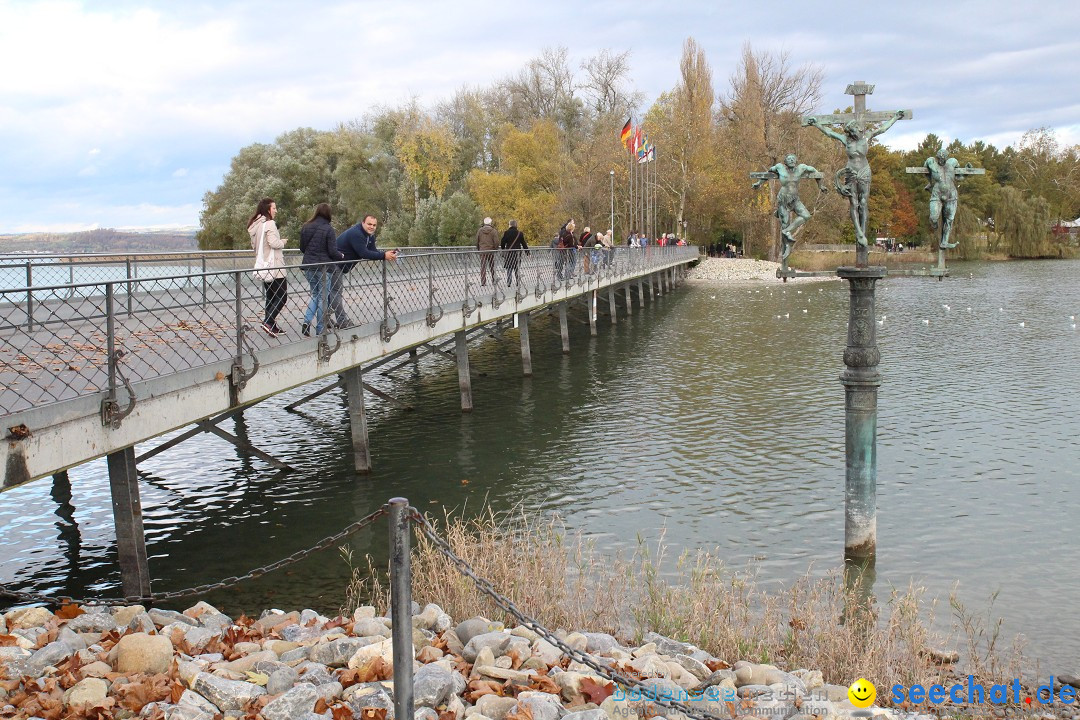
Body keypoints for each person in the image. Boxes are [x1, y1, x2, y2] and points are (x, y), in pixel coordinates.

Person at [807, 110, 905, 246]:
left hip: (864, 171)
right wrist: (817, 124)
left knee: (863, 203)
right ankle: (858, 232)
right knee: (854, 203)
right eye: (849, 132)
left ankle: (863, 231)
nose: (851, 134)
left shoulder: (867, 137)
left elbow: (882, 128)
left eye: (852, 131)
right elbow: (829, 133)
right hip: (851, 172)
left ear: (857, 129)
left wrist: (895, 117)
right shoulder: (846, 140)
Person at [752, 153, 828, 261]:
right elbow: (768, 172)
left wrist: (821, 186)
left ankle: (787, 231)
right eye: (789, 159)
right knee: (785, 222)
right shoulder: (779, 167)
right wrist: (759, 183)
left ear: (796, 161)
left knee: (806, 215)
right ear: (785, 161)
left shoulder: (801, 168)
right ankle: (786, 248)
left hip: (795, 199)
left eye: (793, 159)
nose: (791, 160)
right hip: (783, 199)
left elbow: (816, 173)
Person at [335, 214, 399, 329]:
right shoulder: (356, 234)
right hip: (333, 264)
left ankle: (329, 320)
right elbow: (363, 253)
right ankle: (342, 321)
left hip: (340, 266)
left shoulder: (370, 236)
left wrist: (387, 254)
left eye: (374, 225)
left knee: (330, 294)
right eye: (369, 224)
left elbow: (373, 251)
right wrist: (384, 255)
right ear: (363, 223)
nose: (372, 227)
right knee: (334, 293)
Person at [298, 203, 344, 336]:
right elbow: (332, 251)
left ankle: (307, 322)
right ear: (328, 214)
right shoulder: (328, 229)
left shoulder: (306, 226)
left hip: (308, 266)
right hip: (324, 268)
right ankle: (320, 328)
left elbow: (302, 248)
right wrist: (341, 256)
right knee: (322, 298)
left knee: (315, 295)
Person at [247, 197, 287, 338]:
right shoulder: (269, 223)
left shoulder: (256, 225)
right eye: (274, 208)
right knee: (282, 296)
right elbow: (273, 243)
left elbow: (255, 246)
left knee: (270, 296)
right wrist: (282, 242)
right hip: (275, 266)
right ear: (268, 209)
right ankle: (269, 322)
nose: (276, 210)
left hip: (264, 265)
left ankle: (271, 325)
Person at [924, 148, 964, 249]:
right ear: (937, 157)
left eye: (943, 158)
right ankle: (935, 225)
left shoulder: (952, 163)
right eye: (940, 158)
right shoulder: (931, 161)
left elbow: (959, 177)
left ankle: (944, 242)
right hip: (937, 194)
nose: (941, 159)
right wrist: (930, 182)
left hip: (951, 195)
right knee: (933, 217)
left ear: (946, 158)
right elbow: (925, 171)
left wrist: (966, 172)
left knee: (949, 220)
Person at [500, 219, 529, 286]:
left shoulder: (506, 232)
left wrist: (503, 248)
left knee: (509, 267)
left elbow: (502, 242)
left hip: (509, 253)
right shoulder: (520, 233)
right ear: (516, 225)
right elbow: (524, 244)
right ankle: (518, 281)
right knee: (517, 267)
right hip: (517, 253)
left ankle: (509, 282)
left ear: (510, 225)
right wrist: (528, 253)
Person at [476, 217, 499, 286]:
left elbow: (477, 240)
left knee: (483, 266)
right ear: (490, 223)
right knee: (492, 266)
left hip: (482, 250)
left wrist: (479, 248)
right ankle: (494, 280)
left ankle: (483, 282)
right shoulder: (493, 231)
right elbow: (496, 241)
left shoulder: (480, 231)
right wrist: (495, 249)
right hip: (491, 250)